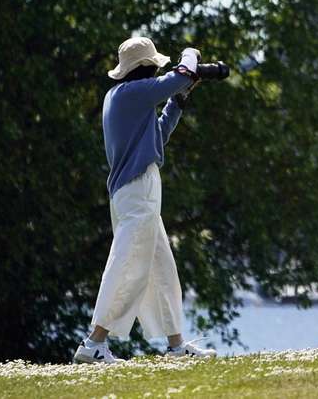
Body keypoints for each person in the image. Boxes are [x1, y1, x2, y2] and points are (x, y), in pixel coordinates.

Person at [73, 36, 218, 364]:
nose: (157, 70)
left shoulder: (126, 97)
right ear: (145, 68)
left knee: (160, 266)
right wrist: (191, 55)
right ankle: (94, 343)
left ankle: (176, 345)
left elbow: (160, 135)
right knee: (127, 264)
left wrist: (178, 102)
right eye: (154, 66)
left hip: (137, 190)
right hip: (138, 191)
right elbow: (181, 73)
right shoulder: (132, 94)